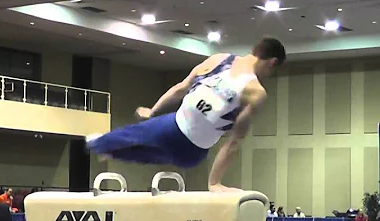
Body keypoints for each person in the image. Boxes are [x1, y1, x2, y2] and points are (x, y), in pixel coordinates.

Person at [86, 38, 285, 192]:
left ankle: (99, 144)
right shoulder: (256, 92)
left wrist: (152, 111)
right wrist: (214, 182)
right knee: (151, 156)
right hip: (193, 154)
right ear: (273, 62)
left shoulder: (219, 59)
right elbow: (234, 142)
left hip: (173, 129)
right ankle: (110, 151)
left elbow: (181, 88)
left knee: (135, 134)